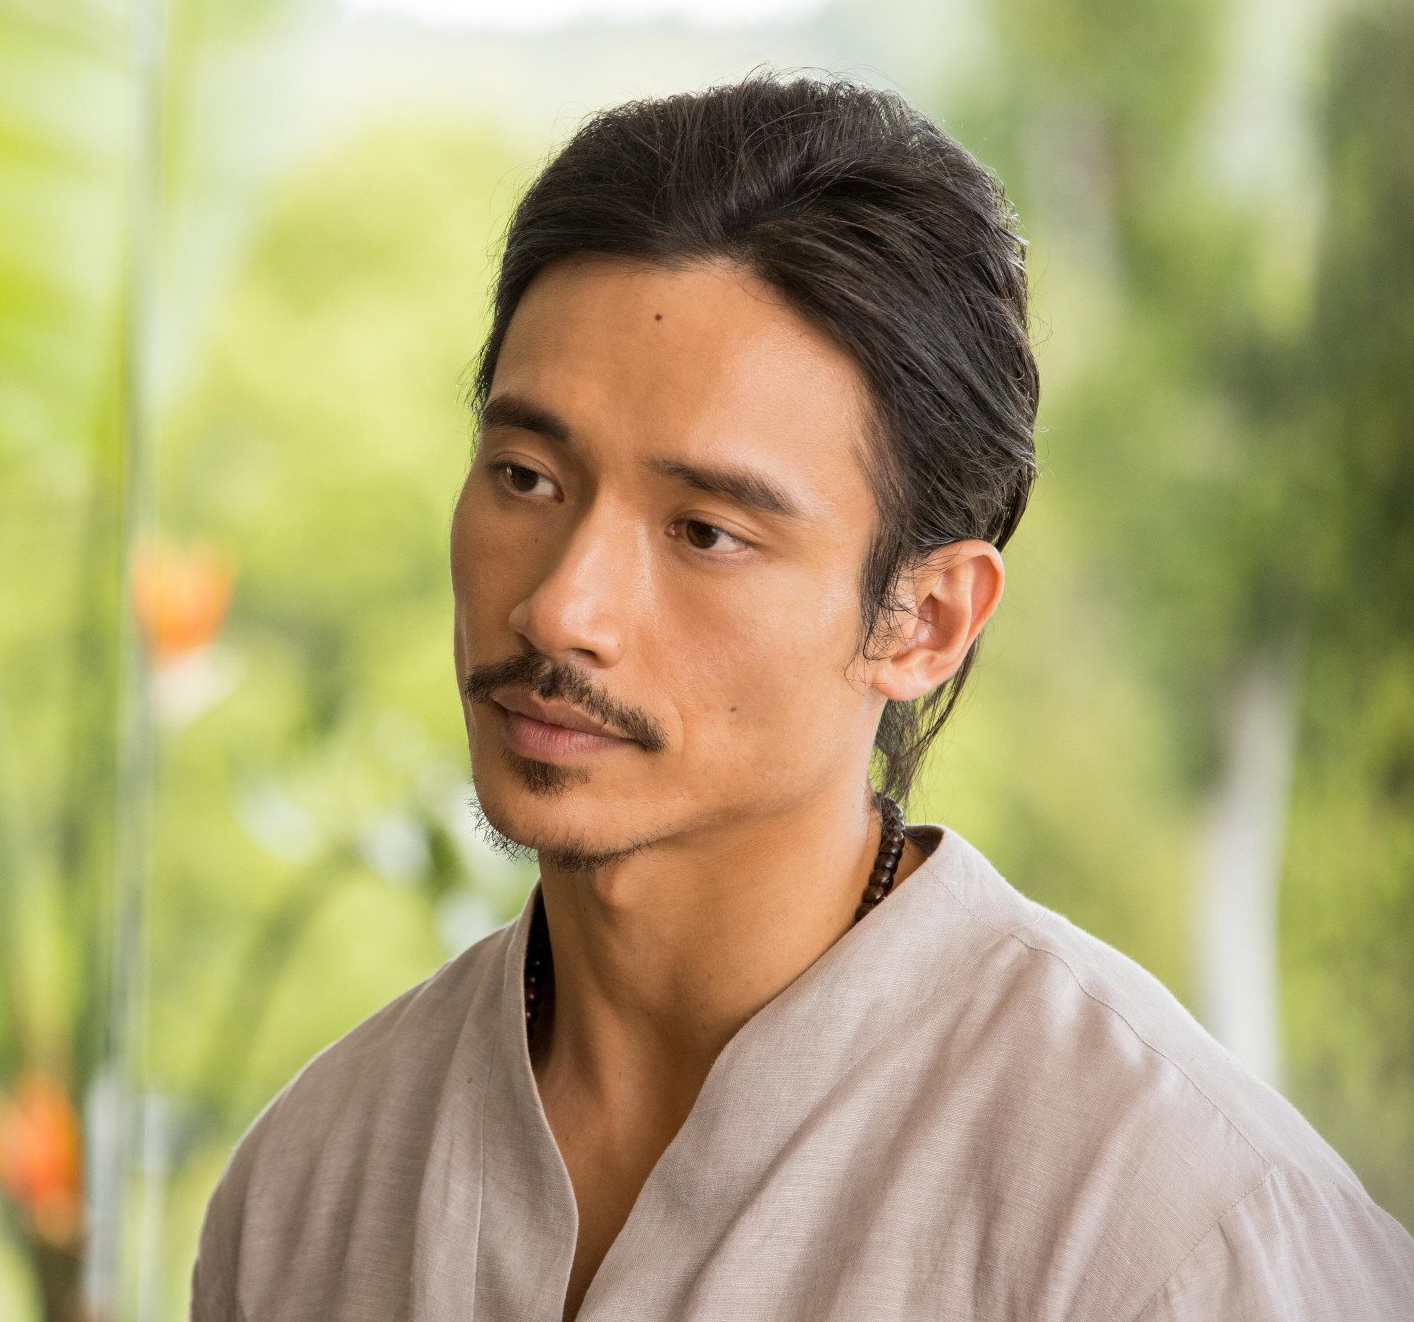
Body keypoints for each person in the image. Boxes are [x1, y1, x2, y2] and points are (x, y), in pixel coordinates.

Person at [188, 72, 1414, 1320]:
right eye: (523, 476)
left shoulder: (1174, 1231)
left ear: (922, 620)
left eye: (706, 531)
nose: (562, 608)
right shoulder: (311, 1185)